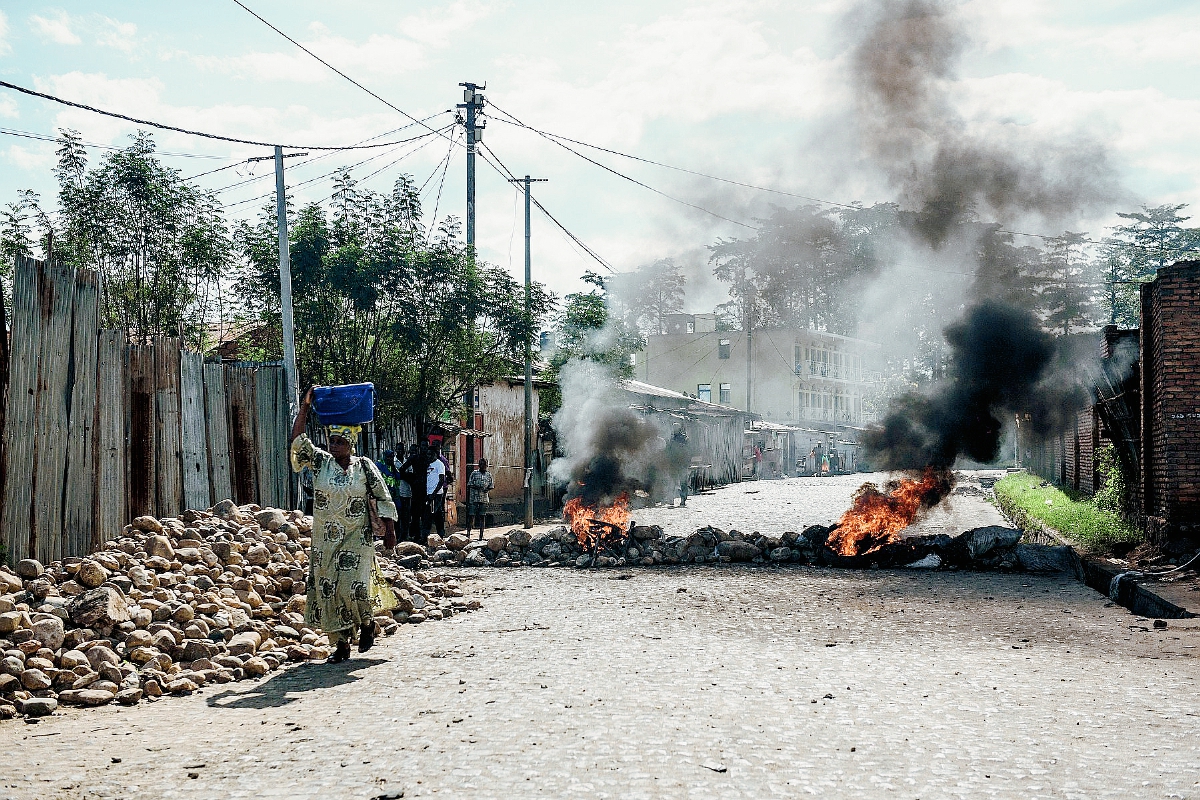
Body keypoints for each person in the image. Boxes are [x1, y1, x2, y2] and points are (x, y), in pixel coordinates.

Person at [290, 388, 398, 663]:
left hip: (356, 538)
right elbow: (298, 441)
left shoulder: (364, 467)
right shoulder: (320, 463)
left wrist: (390, 532)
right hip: (325, 542)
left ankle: (366, 625)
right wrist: (305, 407)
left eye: (339, 442)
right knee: (330, 591)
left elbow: (382, 496)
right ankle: (340, 645)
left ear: (350, 444)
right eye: (332, 441)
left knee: (354, 587)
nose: (334, 446)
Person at [466, 457, 494, 539]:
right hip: (474, 498)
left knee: (482, 517)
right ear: (478, 465)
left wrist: (487, 489)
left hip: (484, 499)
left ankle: (481, 535)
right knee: (471, 516)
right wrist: (476, 487)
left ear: (487, 465)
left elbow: (491, 486)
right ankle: (468, 534)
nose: (483, 466)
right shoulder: (474, 473)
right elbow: (469, 484)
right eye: (481, 464)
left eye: (484, 464)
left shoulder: (489, 475)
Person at [425, 443, 447, 539]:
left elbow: (441, 480)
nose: (429, 456)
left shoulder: (439, 464)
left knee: (436, 513)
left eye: (431, 454)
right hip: (428, 493)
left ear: (435, 454)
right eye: (428, 454)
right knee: (429, 514)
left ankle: (440, 533)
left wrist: (434, 493)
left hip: (436, 494)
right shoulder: (427, 464)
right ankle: (427, 535)